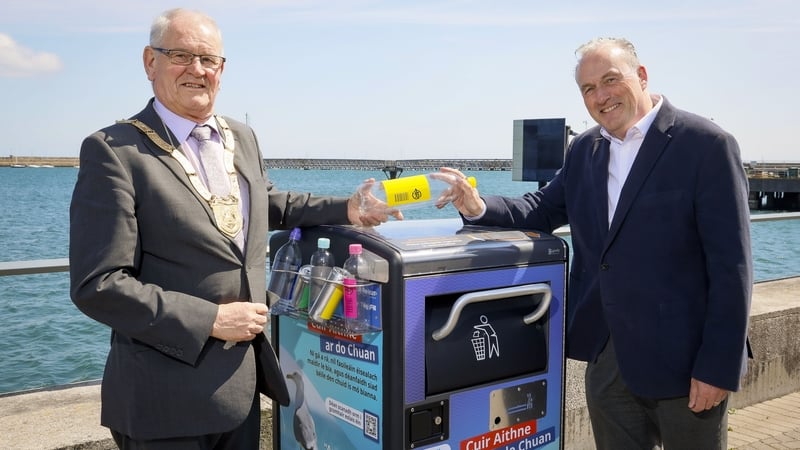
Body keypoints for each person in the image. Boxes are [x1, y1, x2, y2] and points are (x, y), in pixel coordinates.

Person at [69, 8, 395, 449]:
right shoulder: (114, 151)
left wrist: (349, 209)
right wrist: (212, 320)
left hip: (239, 393)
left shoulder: (241, 137)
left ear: (222, 70)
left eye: (209, 59)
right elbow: (98, 284)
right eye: (181, 56)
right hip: (162, 404)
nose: (197, 70)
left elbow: (267, 203)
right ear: (150, 62)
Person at [441, 37, 752, 449]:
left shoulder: (706, 145)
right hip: (609, 360)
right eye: (588, 88)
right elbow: (541, 209)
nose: (600, 96)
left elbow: (732, 268)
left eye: (610, 80)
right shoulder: (584, 149)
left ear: (641, 76)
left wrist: (718, 366)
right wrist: (478, 205)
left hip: (685, 362)